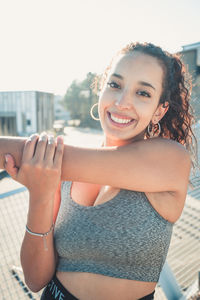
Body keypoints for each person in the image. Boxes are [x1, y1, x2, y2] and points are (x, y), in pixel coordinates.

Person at [1, 42, 197, 300]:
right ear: (102, 87)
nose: (122, 102)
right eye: (114, 85)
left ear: (159, 110)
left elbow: (18, 152)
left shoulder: (171, 160)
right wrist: (40, 195)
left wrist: (38, 164)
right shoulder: (68, 170)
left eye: (143, 93)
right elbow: (36, 279)